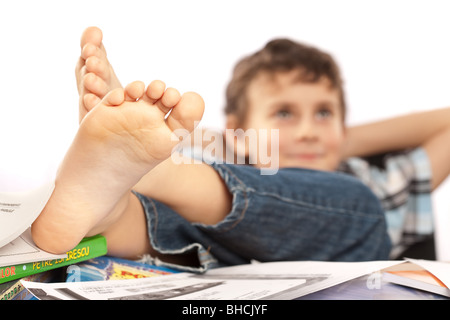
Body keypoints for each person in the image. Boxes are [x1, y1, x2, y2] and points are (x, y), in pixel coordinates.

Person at [31, 27, 397, 272]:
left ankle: (152, 173)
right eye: (284, 113)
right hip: (216, 253)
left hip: (349, 251)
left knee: (362, 205)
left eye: (324, 113)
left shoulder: (370, 178)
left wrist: (349, 139)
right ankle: (112, 214)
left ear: (343, 126)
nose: (307, 132)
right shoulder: (220, 162)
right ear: (237, 134)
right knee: (180, 220)